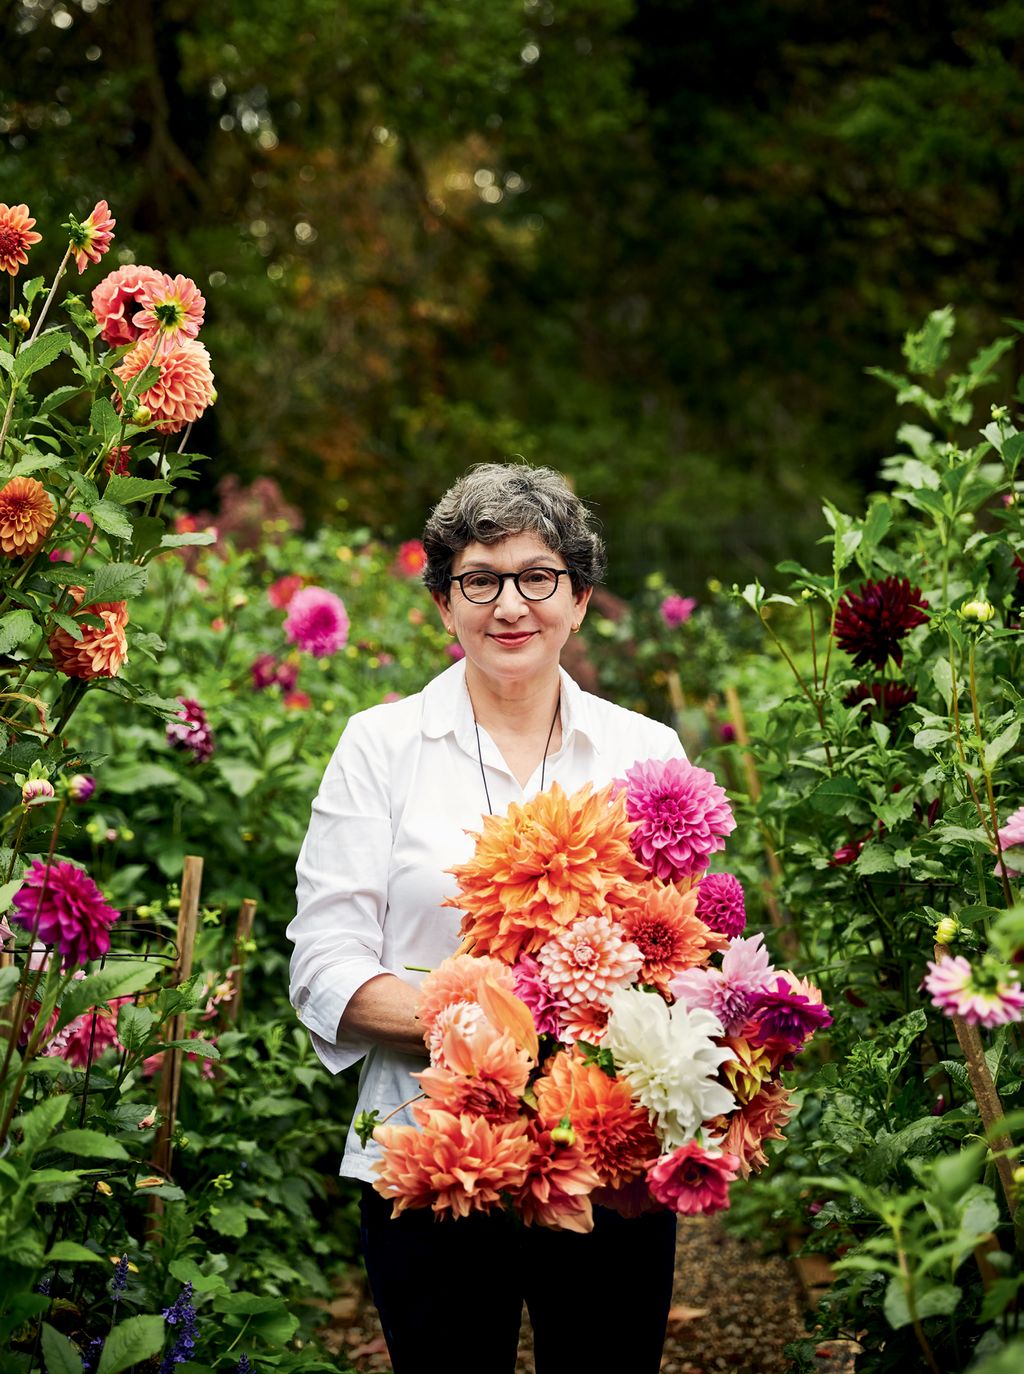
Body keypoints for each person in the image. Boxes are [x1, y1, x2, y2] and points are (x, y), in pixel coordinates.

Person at [288, 462, 685, 1374]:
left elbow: (682, 947)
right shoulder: (378, 747)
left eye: (538, 577)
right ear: (444, 604)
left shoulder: (644, 750)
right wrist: (486, 1023)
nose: (511, 605)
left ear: (579, 599)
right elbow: (325, 962)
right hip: (431, 1152)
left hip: (603, 1154)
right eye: (480, 579)